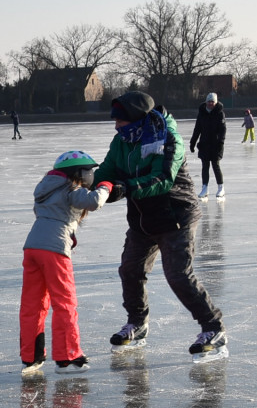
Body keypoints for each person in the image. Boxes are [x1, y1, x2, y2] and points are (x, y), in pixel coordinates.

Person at [95, 91, 228, 362]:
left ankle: (214, 328)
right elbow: (106, 172)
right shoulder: (122, 142)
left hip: (176, 216)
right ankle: (137, 323)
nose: (116, 126)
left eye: (120, 120)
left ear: (136, 118)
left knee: (178, 274)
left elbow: (163, 179)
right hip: (143, 221)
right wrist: (82, 183)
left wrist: (126, 188)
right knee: (130, 269)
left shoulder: (168, 138)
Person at [19, 150, 112, 375]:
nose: (91, 175)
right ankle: (67, 357)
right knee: (64, 302)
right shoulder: (71, 189)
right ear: (79, 173)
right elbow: (92, 201)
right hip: (54, 250)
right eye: (89, 171)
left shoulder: (46, 187)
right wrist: (106, 186)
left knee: (33, 304)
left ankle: (31, 357)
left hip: (32, 246)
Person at [189, 92, 226, 200]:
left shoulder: (220, 113)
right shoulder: (201, 113)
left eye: (212, 102)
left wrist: (221, 142)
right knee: (205, 166)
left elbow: (223, 129)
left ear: (216, 102)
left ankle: (221, 188)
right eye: (209, 101)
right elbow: (197, 129)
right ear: (206, 102)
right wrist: (193, 142)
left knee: (216, 165)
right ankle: (205, 188)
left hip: (216, 144)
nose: (210, 103)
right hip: (204, 144)